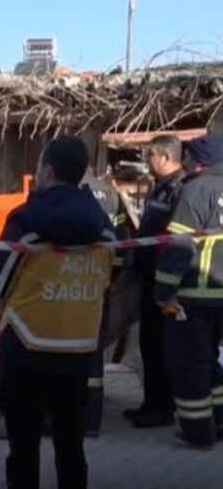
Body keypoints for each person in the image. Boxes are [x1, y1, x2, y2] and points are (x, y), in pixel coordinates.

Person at [0, 136, 116, 489]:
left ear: (48, 170)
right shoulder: (104, 228)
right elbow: (107, 281)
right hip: (78, 353)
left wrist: (7, 309)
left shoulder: (26, 221)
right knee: (71, 448)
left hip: (25, 351)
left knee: (23, 450)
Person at [155, 133, 223, 449]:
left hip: (195, 296)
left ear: (199, 161)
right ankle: (220, 422)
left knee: (190, 363)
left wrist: (163, 290)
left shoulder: (196, 190)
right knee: (213, 362)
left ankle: (198, 432)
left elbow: (179, 246)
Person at [123, 134, 184, 428]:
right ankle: (151, 403)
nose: (148, 161)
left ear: (166, 157)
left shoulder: (179, 189)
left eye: (150, 156)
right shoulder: (160, 188)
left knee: (161, 344)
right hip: (150, 278)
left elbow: (175, 238)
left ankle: (163, 408)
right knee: (149, 343)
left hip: (167, 282)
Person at [80, 166, 128, 437]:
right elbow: (121, 242)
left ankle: (66, 419)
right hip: (101, 287)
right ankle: (91, 422)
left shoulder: (64, 191)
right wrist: (111, 277)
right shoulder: (110, 193)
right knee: (94, 355)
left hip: (67, 288)